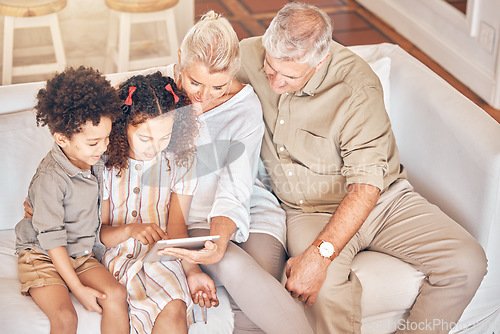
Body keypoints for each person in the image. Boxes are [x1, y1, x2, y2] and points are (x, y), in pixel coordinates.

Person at [236, 3, 488, 334]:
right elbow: (198, 75)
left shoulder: (357, 87)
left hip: (381, 201)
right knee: (321, 291)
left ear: (320, 61)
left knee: (467, 262)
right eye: (270, 69)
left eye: (290, 76)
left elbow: (366, 188)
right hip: (309, 210)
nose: (276, 83)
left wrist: (320, 255)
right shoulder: (247, 56)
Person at [155, 11, 313, 334]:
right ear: (180, 60)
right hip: (187, 217)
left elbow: (235, 190)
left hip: (249, 211)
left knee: (258, 291)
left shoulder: (245, 107)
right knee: (233, 267)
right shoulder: (157, 93)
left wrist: (221, 238)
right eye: (195, 82)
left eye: (219, 86)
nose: (203, 95)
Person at [99, 72, 219, 334]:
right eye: (145, 138)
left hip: (162, 258)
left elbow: (177, 228)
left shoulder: (180, 162)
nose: (155, 147)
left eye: (165, 137)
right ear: (123, 126)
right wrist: (130, 231)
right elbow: (101, 235)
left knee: (175, 308)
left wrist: (192, 270)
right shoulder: (105, 166)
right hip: (116, 258)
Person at [15, 66, 129, 334]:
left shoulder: (95, 159)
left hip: (79, 252)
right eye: (94, 143)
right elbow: (52, 241)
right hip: (42, 254)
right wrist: (77, 289)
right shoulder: (50, 179)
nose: (103, 148)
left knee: (116, 294)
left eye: (106, 138)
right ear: (62, 139)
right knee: (66, 318)